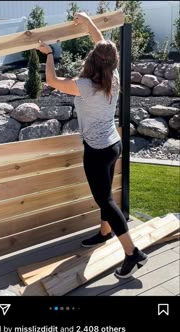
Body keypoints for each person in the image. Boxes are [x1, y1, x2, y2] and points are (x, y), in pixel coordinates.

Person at [36, 12, 148, 279]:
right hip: (113, 145)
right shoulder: (113, 77)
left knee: (105, 200)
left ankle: (133, 253)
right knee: (106, 195)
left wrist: (49, 54)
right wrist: (87, 21)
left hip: (98, 151)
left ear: (91, 60)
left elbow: (51, 81)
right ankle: (105, 232)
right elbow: (103, 46)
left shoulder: (85, 85)